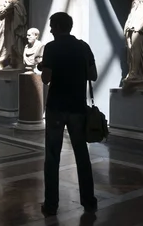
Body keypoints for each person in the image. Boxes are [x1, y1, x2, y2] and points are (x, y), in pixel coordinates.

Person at [38, 12, 98, 217]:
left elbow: (46, 79)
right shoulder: (83, 47)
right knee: (82, 156)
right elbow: (93, 75)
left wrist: (44, 68)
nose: (50, 29)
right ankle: (89, 201)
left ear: (58, 26)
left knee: (52, 156)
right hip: (78, 108)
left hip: (56, 107)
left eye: (52, 26)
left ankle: (51, 204)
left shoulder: (51, 48)